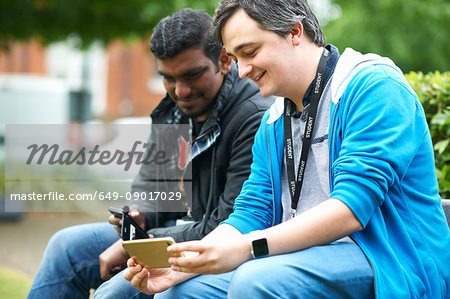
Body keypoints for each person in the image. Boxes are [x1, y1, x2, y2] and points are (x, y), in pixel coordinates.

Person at [123, 1, 450, 298]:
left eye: (249, 52)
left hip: (391, 263)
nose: (241, 71)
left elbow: (351, 208)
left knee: (256, 280)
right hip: (299, 260)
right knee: (177, 293)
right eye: (235, 58)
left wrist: (248, 248)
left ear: (295, 32)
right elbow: (251, 214)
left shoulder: (374, 86)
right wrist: (181, 268)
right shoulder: (273, 121)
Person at [27, 8, 274, 299]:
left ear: (222, 61)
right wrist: (140, 216)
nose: (181, 91)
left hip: (221, 246)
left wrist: (141, 244)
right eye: (168, 78)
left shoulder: (254, 116)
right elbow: (152, 187)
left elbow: (229, 224)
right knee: (65, 246)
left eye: (192, 75)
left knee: (115, 293)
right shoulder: (173, 112)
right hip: (173, 234)